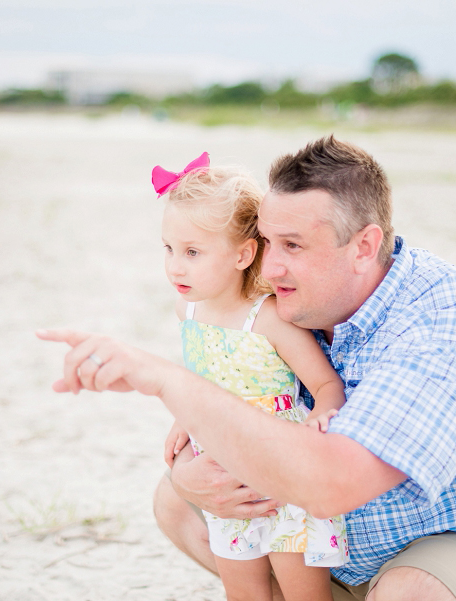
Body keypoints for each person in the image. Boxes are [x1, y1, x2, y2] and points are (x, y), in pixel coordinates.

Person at [38, 136, 456, 601]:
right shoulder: (302, 298)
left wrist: (164, 380)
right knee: (177, 497)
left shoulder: (440, 330)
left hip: (453, 550)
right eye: (267, 242)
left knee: (412, 591)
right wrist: (195, 456)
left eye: (292, 246)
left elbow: (331, 481)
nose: (269, 266)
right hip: (336, 543)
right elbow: (248, 393)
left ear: (364, 246)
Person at [152, 151, 348, 601]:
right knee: (243, 591)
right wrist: (187, 415)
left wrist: (324, 413)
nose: (175, 266)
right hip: (225, 470)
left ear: (243, 254)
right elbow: (203, 378)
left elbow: (324, 384)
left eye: (193, 252)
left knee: (302, 592)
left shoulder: (269, 319)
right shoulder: (189, 309)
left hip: (281, 472)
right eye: (169, 249)